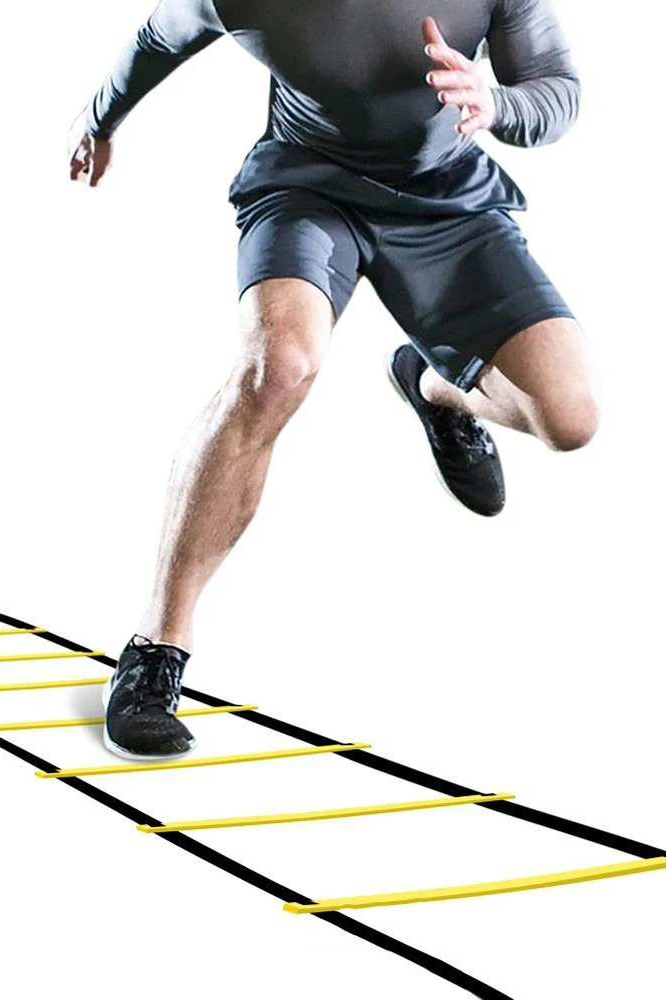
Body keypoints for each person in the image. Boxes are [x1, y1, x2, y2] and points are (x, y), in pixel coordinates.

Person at [68, 1, 599, 760]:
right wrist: (100, 120)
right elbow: (159, 38)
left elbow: (557, 87)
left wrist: (497, 103)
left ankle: (435, 386)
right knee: (276, 369)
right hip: (308, 187)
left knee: (571, 419)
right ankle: (156, 648)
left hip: (449, 197)